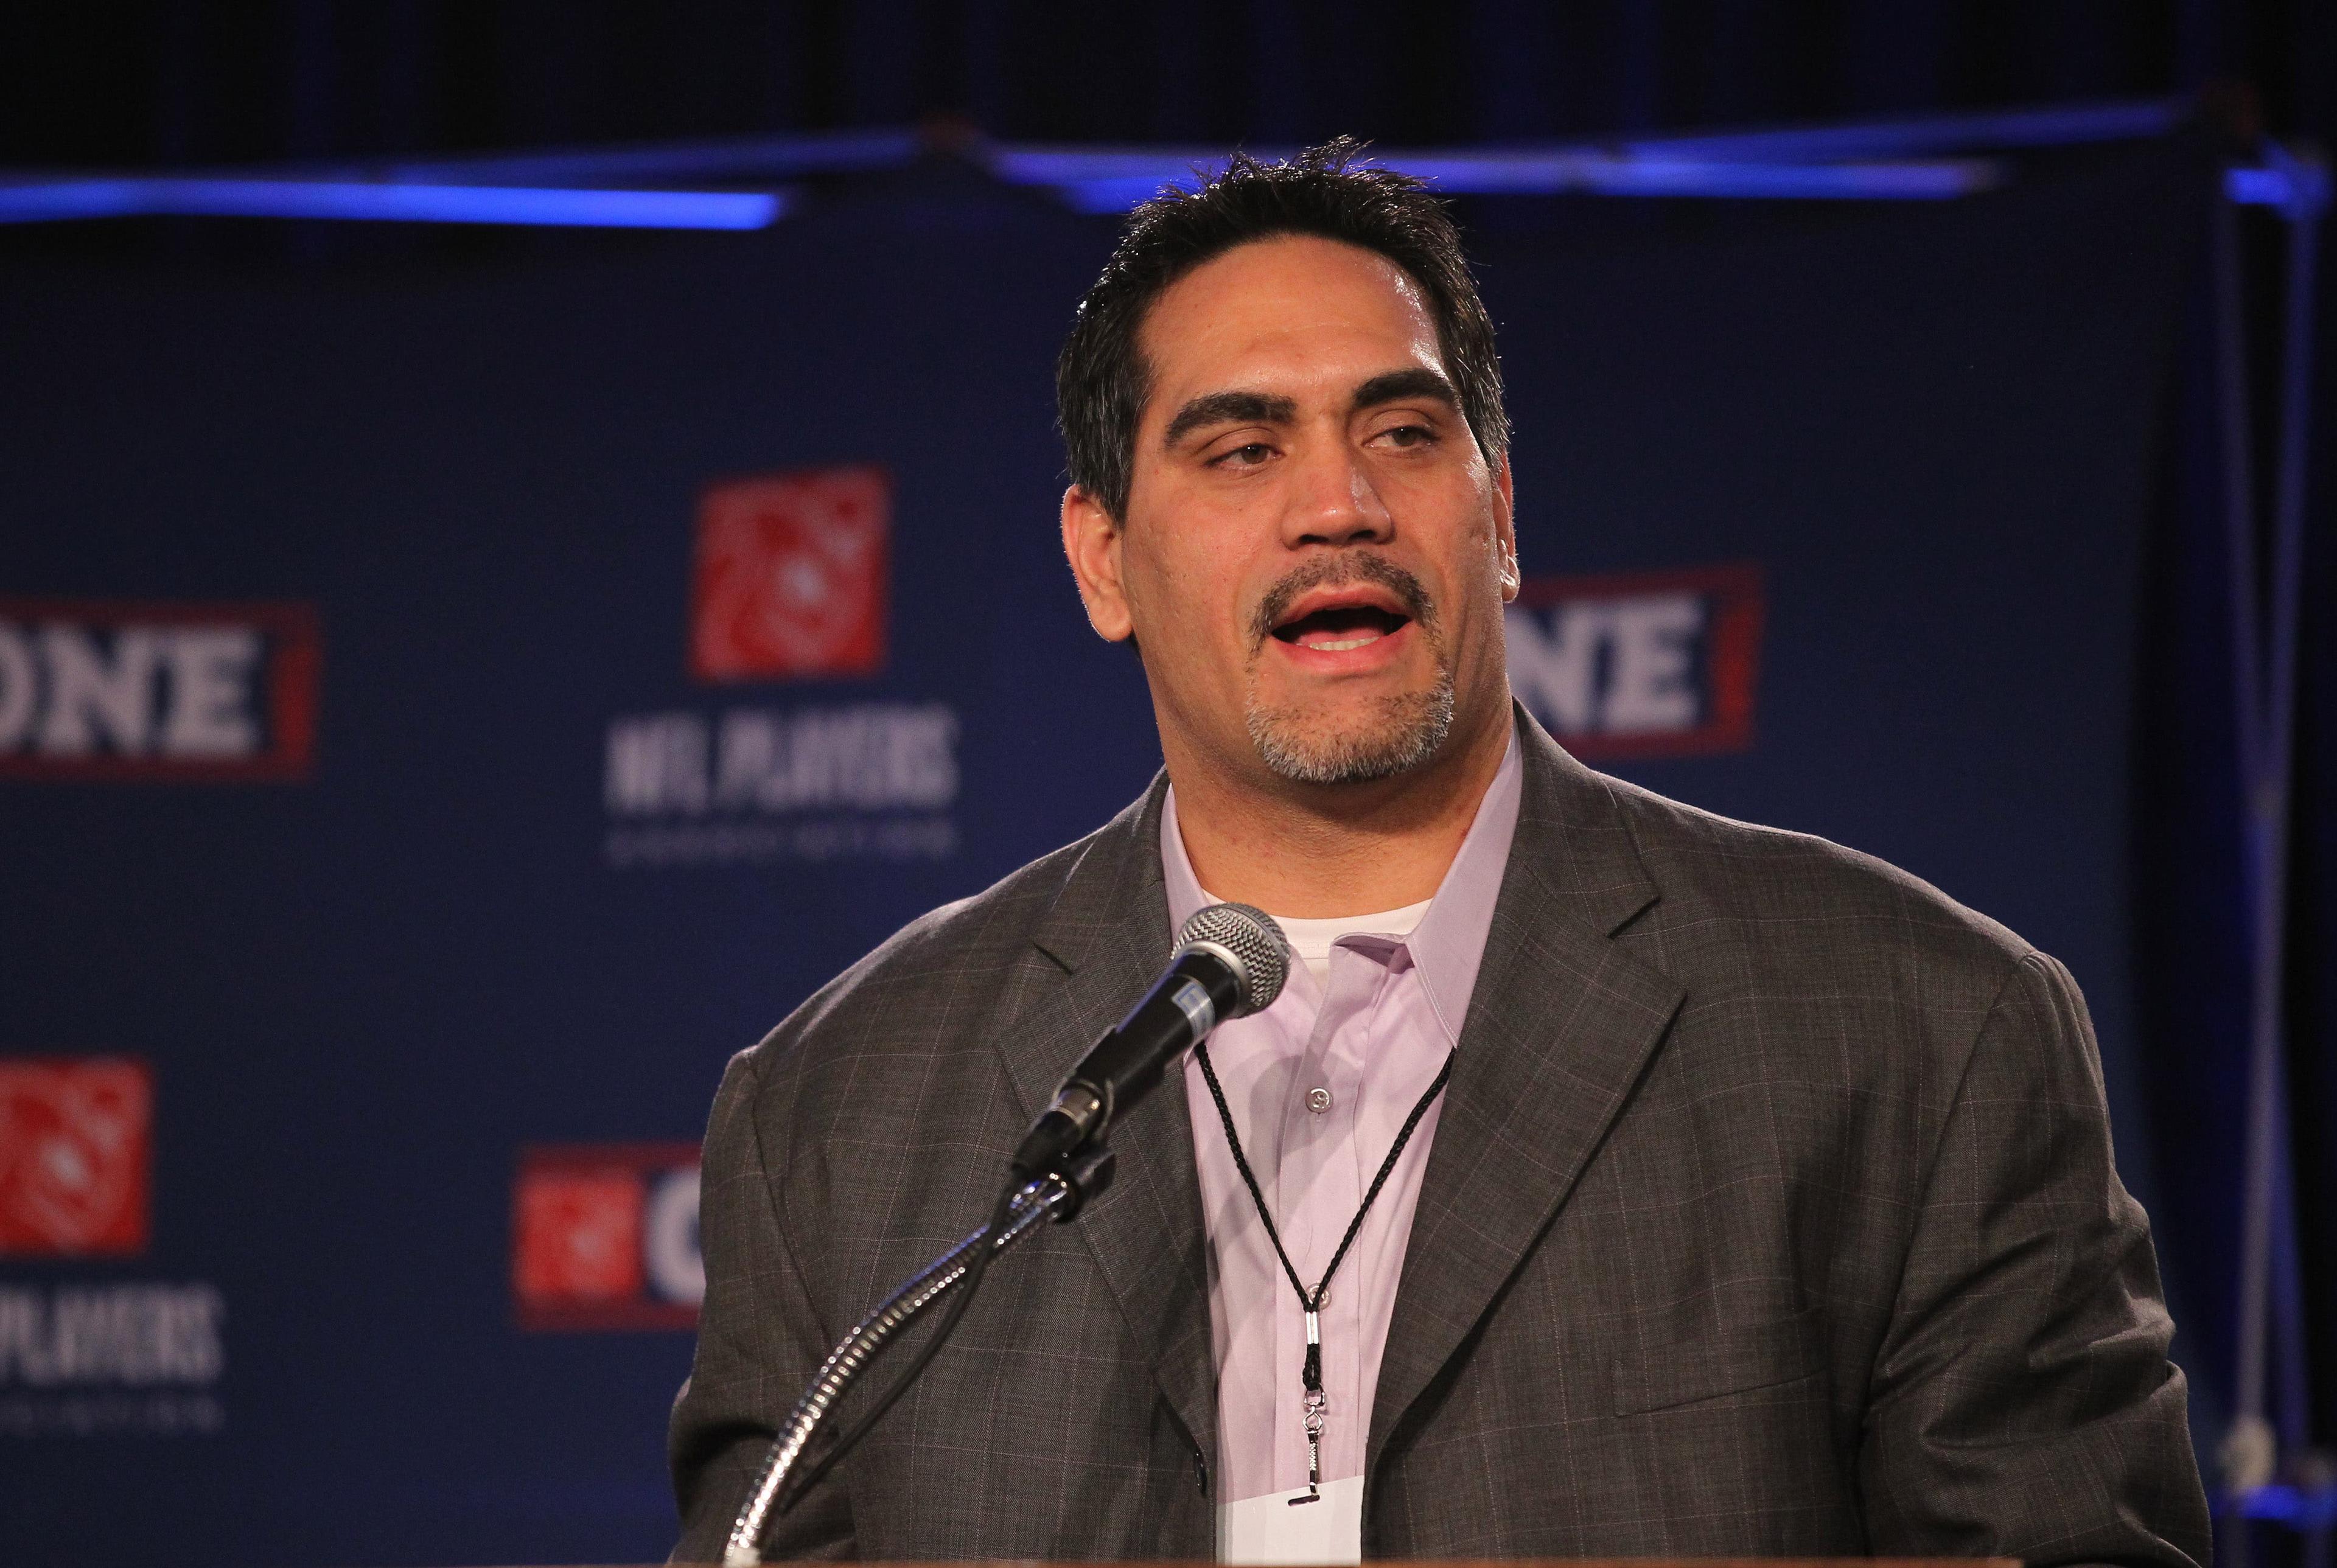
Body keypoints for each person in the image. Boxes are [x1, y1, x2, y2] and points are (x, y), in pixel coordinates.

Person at [668, 140, 2210, 1566]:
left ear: (1504, 517)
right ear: (1103, 557)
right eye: (1240, 451)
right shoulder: (836, 1115)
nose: (1338, 506)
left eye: (1402, 432)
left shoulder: (1915, 1031)